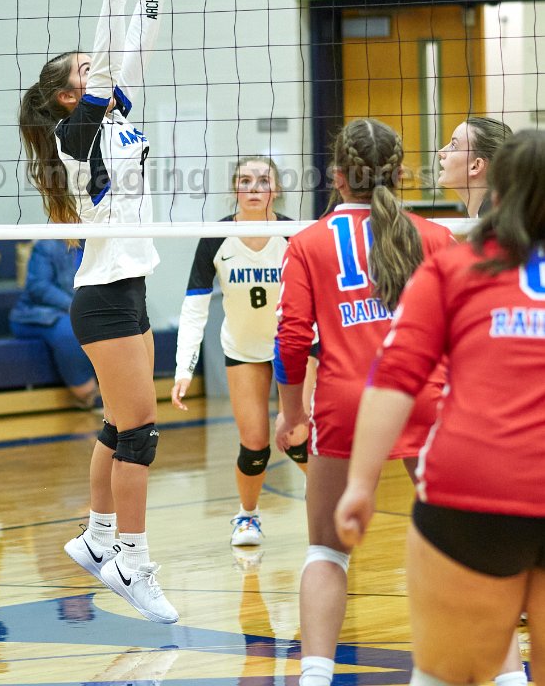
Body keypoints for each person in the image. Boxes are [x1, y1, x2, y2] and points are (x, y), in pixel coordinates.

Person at [335, 128, 545, 686]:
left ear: (498, 189)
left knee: (443, 674)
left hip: (475, 489)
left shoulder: (455, 267)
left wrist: (360, 484)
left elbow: (395, 377)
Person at [19, 0, 177, 624]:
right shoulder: (73, 136)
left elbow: (134, 51)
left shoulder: (113, 113)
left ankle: (96, 537)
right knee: (139, 430)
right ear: (66, 97)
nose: (100, 71)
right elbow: (110, 64)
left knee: (118, 423)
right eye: (83, 71)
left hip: (128, 286)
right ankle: (130, 561)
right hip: (104, 296)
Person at [273, 118, 455, 686]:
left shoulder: (307, 242)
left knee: (326, 552)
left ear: (336, 175)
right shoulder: (436, 237)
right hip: (425, 396)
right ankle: (488, 675)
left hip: (348, 400)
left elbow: (291, 338)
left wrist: (291, 414)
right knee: (458, 546)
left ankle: (315, 677)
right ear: (399, 174)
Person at [172, 155, 309, 547]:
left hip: (293, 349)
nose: (253, 188)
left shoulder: (295, 235)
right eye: (245, 181)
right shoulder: (216, 237)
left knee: (300, 441)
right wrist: (184, 368)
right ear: (235, 187)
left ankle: (327, 507)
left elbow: (318, 299)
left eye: (262, 181)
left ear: (275, 189)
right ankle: (247, 517)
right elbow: (195, 306)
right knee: (254, 446)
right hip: (244, 351)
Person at [9, 239, 101, 409]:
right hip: (38, 313)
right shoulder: (47, 245)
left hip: (81, 310)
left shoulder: (97, 244)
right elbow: (38, 287)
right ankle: (87, 393)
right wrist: (75, 306)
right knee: (70, 331)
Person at [438, 116, 512, 217]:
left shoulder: (497, 220)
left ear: (476, 166)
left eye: (453, 145)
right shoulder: (488, 214)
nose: (441, 152)